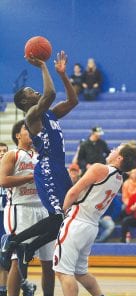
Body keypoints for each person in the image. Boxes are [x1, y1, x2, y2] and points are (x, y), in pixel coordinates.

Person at [0, 51, 78, 273]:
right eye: (31, 91)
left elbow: (73, 100)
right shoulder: (32, 115)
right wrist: (44, 66)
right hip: (46, 168)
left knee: (64, 219)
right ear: (26, 101)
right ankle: (13, 241)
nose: (36, 91)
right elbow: (50, 93)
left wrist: (63, 74)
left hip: (58, 168)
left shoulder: (50, 114)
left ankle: (28, 246)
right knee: (57, 216)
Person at [53, 143, 136, 296]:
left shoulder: (100, 168)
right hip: (91, 226)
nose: (112, 150)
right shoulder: (119, 178)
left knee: (63, 272)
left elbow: (74, 191)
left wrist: (60, 213)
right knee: (80, 272)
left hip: (76, 220)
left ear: (119, 157)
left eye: (116, 149)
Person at [0, 121, 55, 296]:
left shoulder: (41, 156)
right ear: (17, 135)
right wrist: (32, 177)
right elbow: (3, 181)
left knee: (49, 262)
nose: (31, 131)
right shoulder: (12, 154)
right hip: (20, 209)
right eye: (26, 128)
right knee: (18, 258)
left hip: (43, 209)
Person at [0, 142, 8, 296]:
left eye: (4, 151)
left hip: (7, 219)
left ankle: (3, 291)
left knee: (5, 259)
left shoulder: (12, 170)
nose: (2, 153)